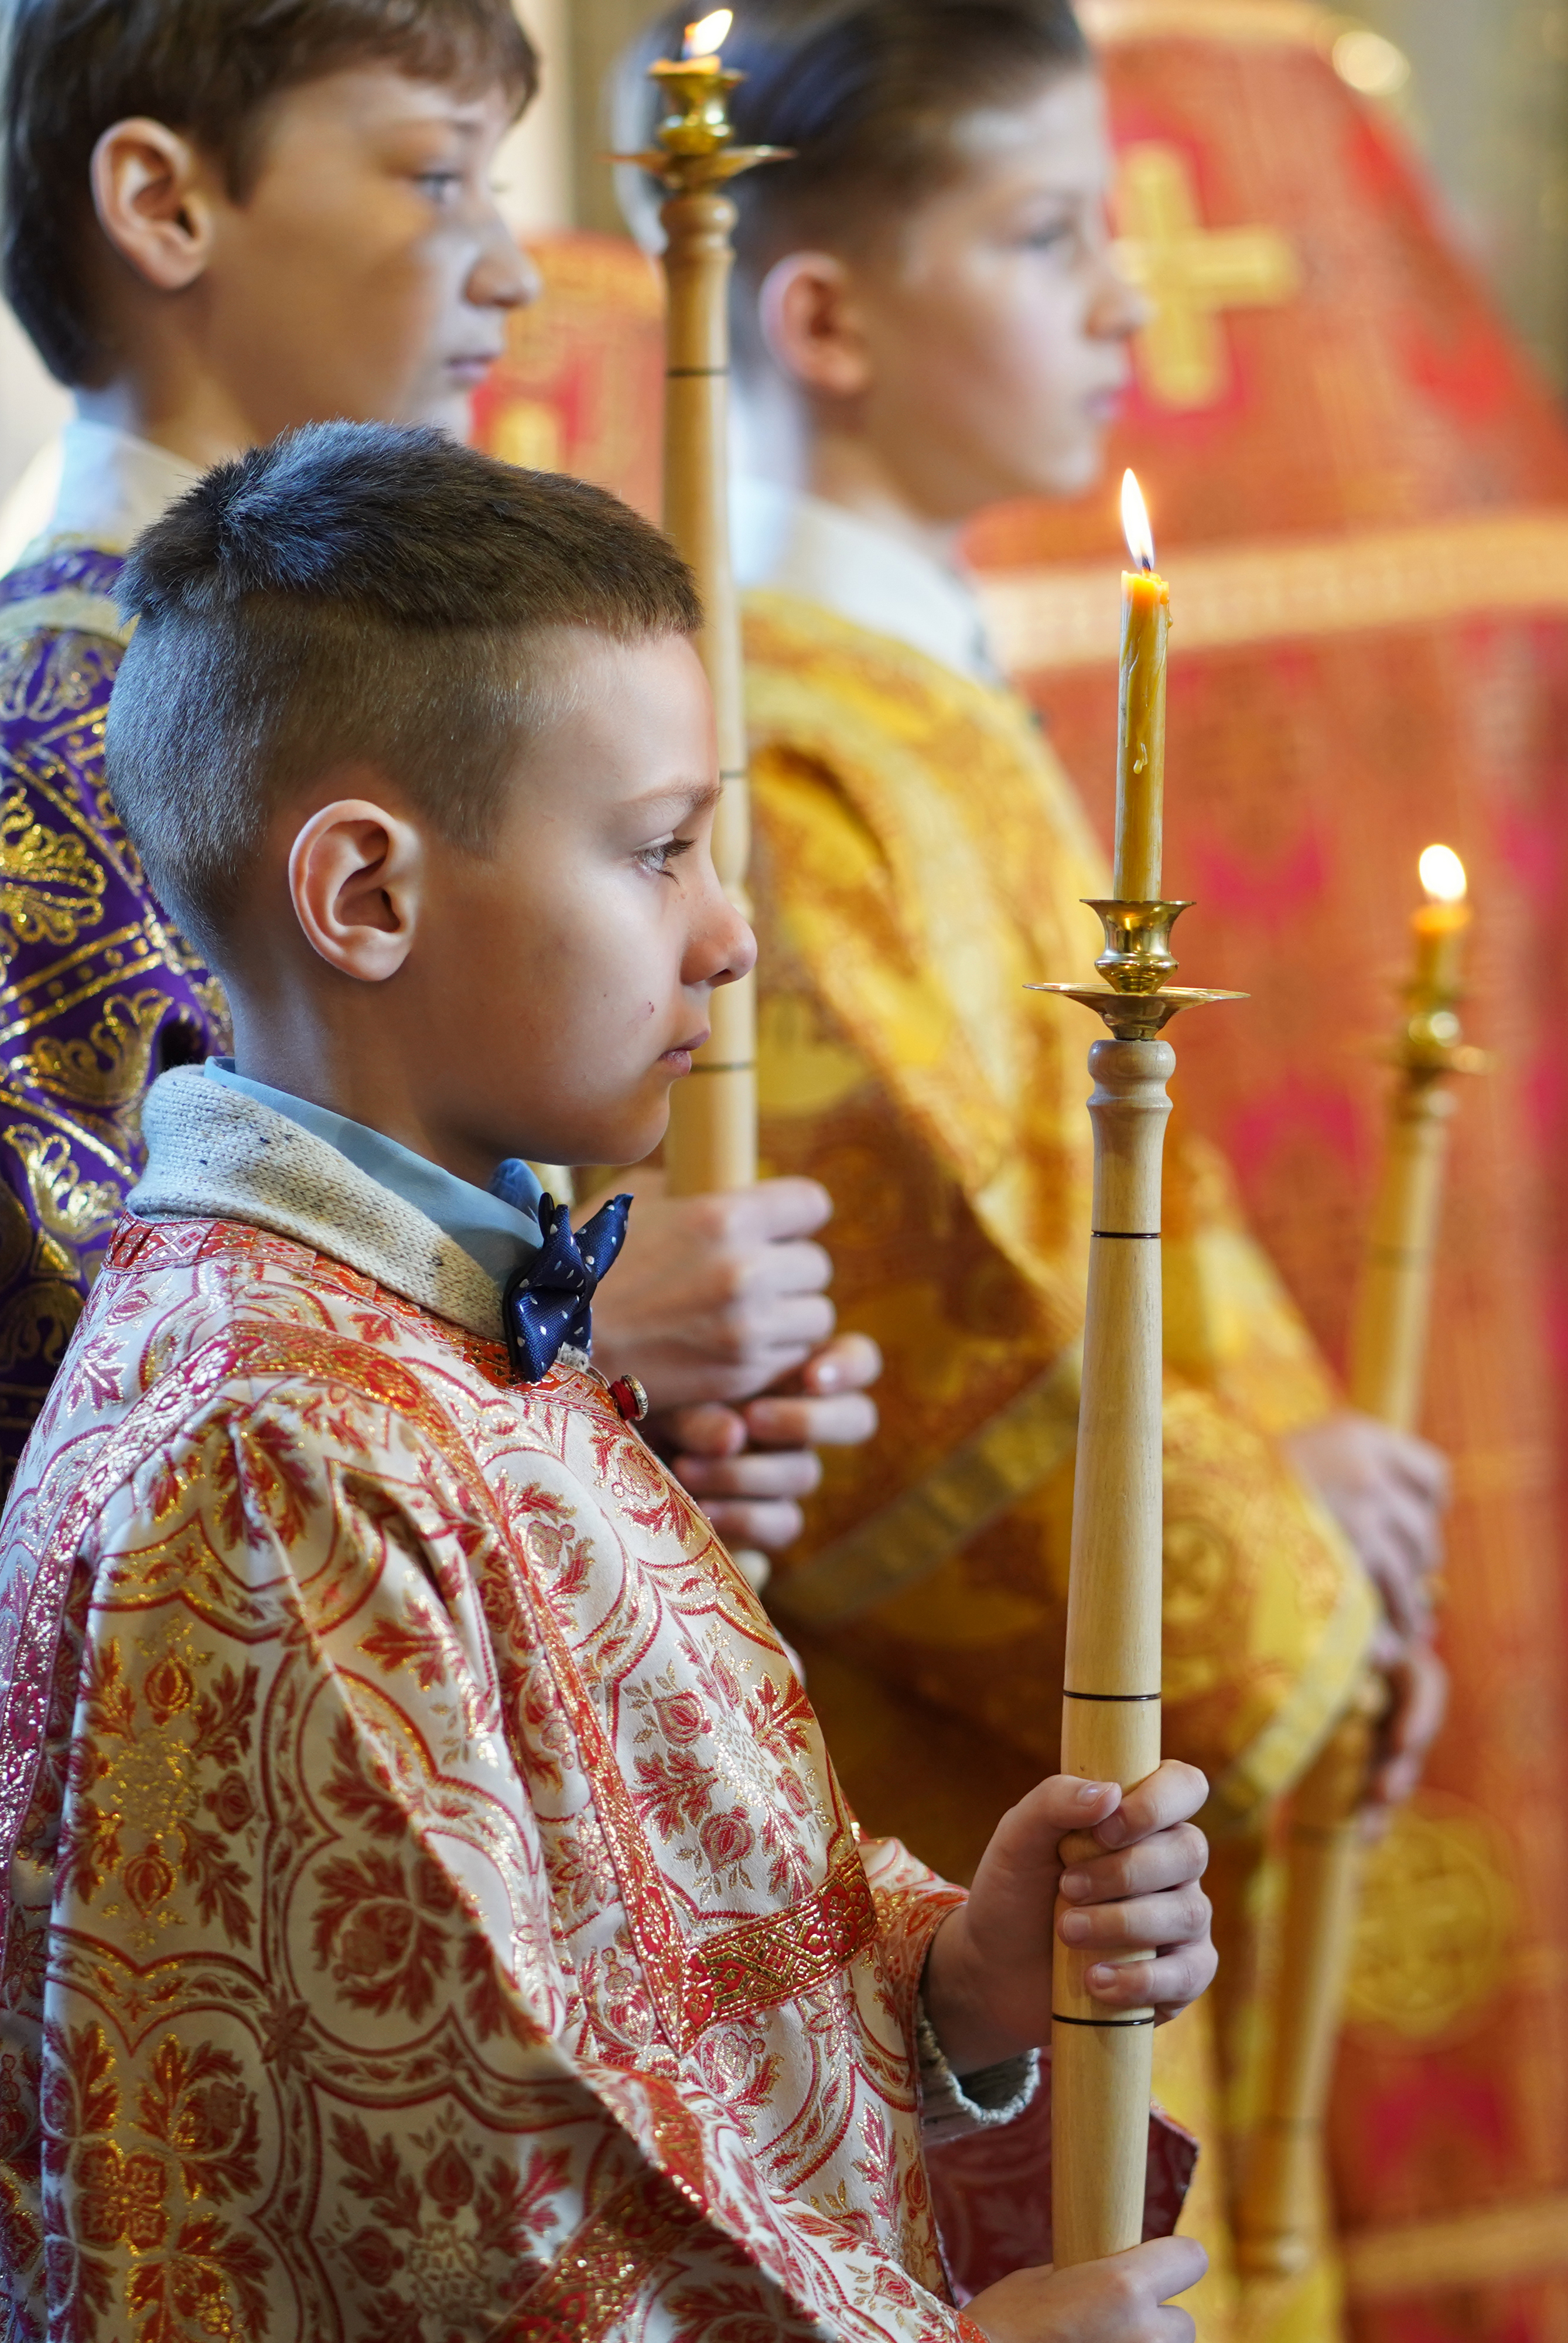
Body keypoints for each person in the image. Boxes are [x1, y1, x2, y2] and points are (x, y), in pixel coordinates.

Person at [0, 420, 1219, 2338]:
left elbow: (629, 1980)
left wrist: (947, 1978)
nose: (730, 934)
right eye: (657, 850)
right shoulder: (272, 1450)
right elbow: (460, 2219)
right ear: (366, 897)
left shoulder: (435, 1324)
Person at [613, 2, 1451, 2324]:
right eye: (1045, 232)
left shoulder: (920, 685)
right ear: (825, 316)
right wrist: (1291, 1553)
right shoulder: (782, 753)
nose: (1123, 301)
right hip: (945, 1831)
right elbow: (927, 1307)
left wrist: (1320, 1456)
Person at [0, 0, 873, 1551]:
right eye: (432, 177)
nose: (515, 267)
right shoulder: (50, 743)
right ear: (164, 204)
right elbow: (107, 1434)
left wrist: (607, 1440)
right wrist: (550, 1343)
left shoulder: (388, 667)